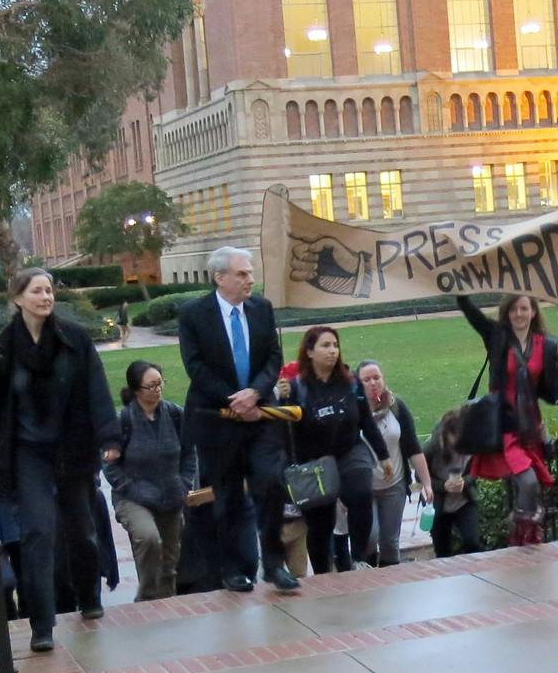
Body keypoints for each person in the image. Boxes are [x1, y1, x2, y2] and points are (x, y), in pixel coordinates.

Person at [0, 268, 120, 653]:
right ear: (18, 299)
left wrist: (109, 437)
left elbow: (97, 391)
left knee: (82, 530)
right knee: (37, 532)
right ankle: (42, 623)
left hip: (72, 447)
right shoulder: (2, 350)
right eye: (37, 291)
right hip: (28, 453)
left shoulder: (75, 340)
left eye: (49, 290)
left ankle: (89, 597)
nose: (46, 297)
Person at [178, 246, 287, 593]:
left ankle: (274, 563)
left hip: (259, 415)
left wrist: (254, 393)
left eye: (250, 273)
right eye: (241, 274)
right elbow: (195, 365)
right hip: (217, 419)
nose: (249, 279)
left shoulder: (261, 309)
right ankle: (235, 569)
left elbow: (273, 357)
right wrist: (233, 399)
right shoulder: (194, 314)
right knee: (227, 497)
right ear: (219, 277)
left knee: (270, 483)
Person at [454, 293, 558, 547]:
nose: (519, 314)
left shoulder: (547, 345)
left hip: (531, 427)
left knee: (531, 485)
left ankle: (523, 539)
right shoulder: (497, 337)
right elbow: (473, 315)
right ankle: (522, 532)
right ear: (507, 313)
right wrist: (460, 291)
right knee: (527, 482)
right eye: (514, 309)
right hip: (505, 426)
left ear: (533, 312)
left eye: (524, 309)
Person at [283, 326, 381, 573]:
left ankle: (358, 558)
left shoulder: (351, 382)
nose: (332, 351)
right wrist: (282, 399)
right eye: (325, 346)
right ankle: (323, 574)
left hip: (349, 450)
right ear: (309, 351)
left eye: (335, 345)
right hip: (314, 461)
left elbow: (366, 420)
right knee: (320, 523)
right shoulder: (297, 388)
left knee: (361, 492)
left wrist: (384, 455)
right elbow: (285, 430)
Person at [105, 360, 195, 602]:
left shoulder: (175, 414)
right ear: (136, 390)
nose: (157, 390)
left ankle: (164, 604)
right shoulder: (123, 420)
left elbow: (188, 453)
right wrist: (131, 488)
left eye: (160, 383)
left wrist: (184, 483)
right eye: (151, 386)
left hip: (171, 496)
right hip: (133, 498)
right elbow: (109, 465)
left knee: (169, 562)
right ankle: (146, 600)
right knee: (148, 538)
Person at [356, 359, 432, 567]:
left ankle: (391, 582)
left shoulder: (396, 407)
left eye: (376, 377)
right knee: (369, 538)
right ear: (358, 384)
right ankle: (369, 579)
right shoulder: (353, 411)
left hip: (394, 486)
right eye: (367, 379)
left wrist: (426, 483)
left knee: (390, 541)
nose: (373, 383)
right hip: (364, 487)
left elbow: (413, 448)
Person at [423, 407, 480, 558]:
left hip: (464, 501)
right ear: (446, 435)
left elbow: (476, 471)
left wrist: (465, 482)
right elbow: (421, 476)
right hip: (439, 505)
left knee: (472, 542)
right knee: (442, 551)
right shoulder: (432, 448)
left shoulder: (473, 444)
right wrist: (443, 486)